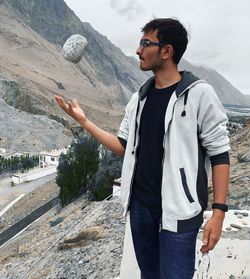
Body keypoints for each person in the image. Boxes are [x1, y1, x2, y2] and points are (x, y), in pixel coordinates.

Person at [55, 18, 230, 279]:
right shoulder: (139, 98)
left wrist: (218, 212)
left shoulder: (199, 95)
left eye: (146, 43)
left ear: (167, 51)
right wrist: (84, 121)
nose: (138, 50)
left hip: (180, 214)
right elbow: (123, 146)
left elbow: (220, 154)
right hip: (140, 209)